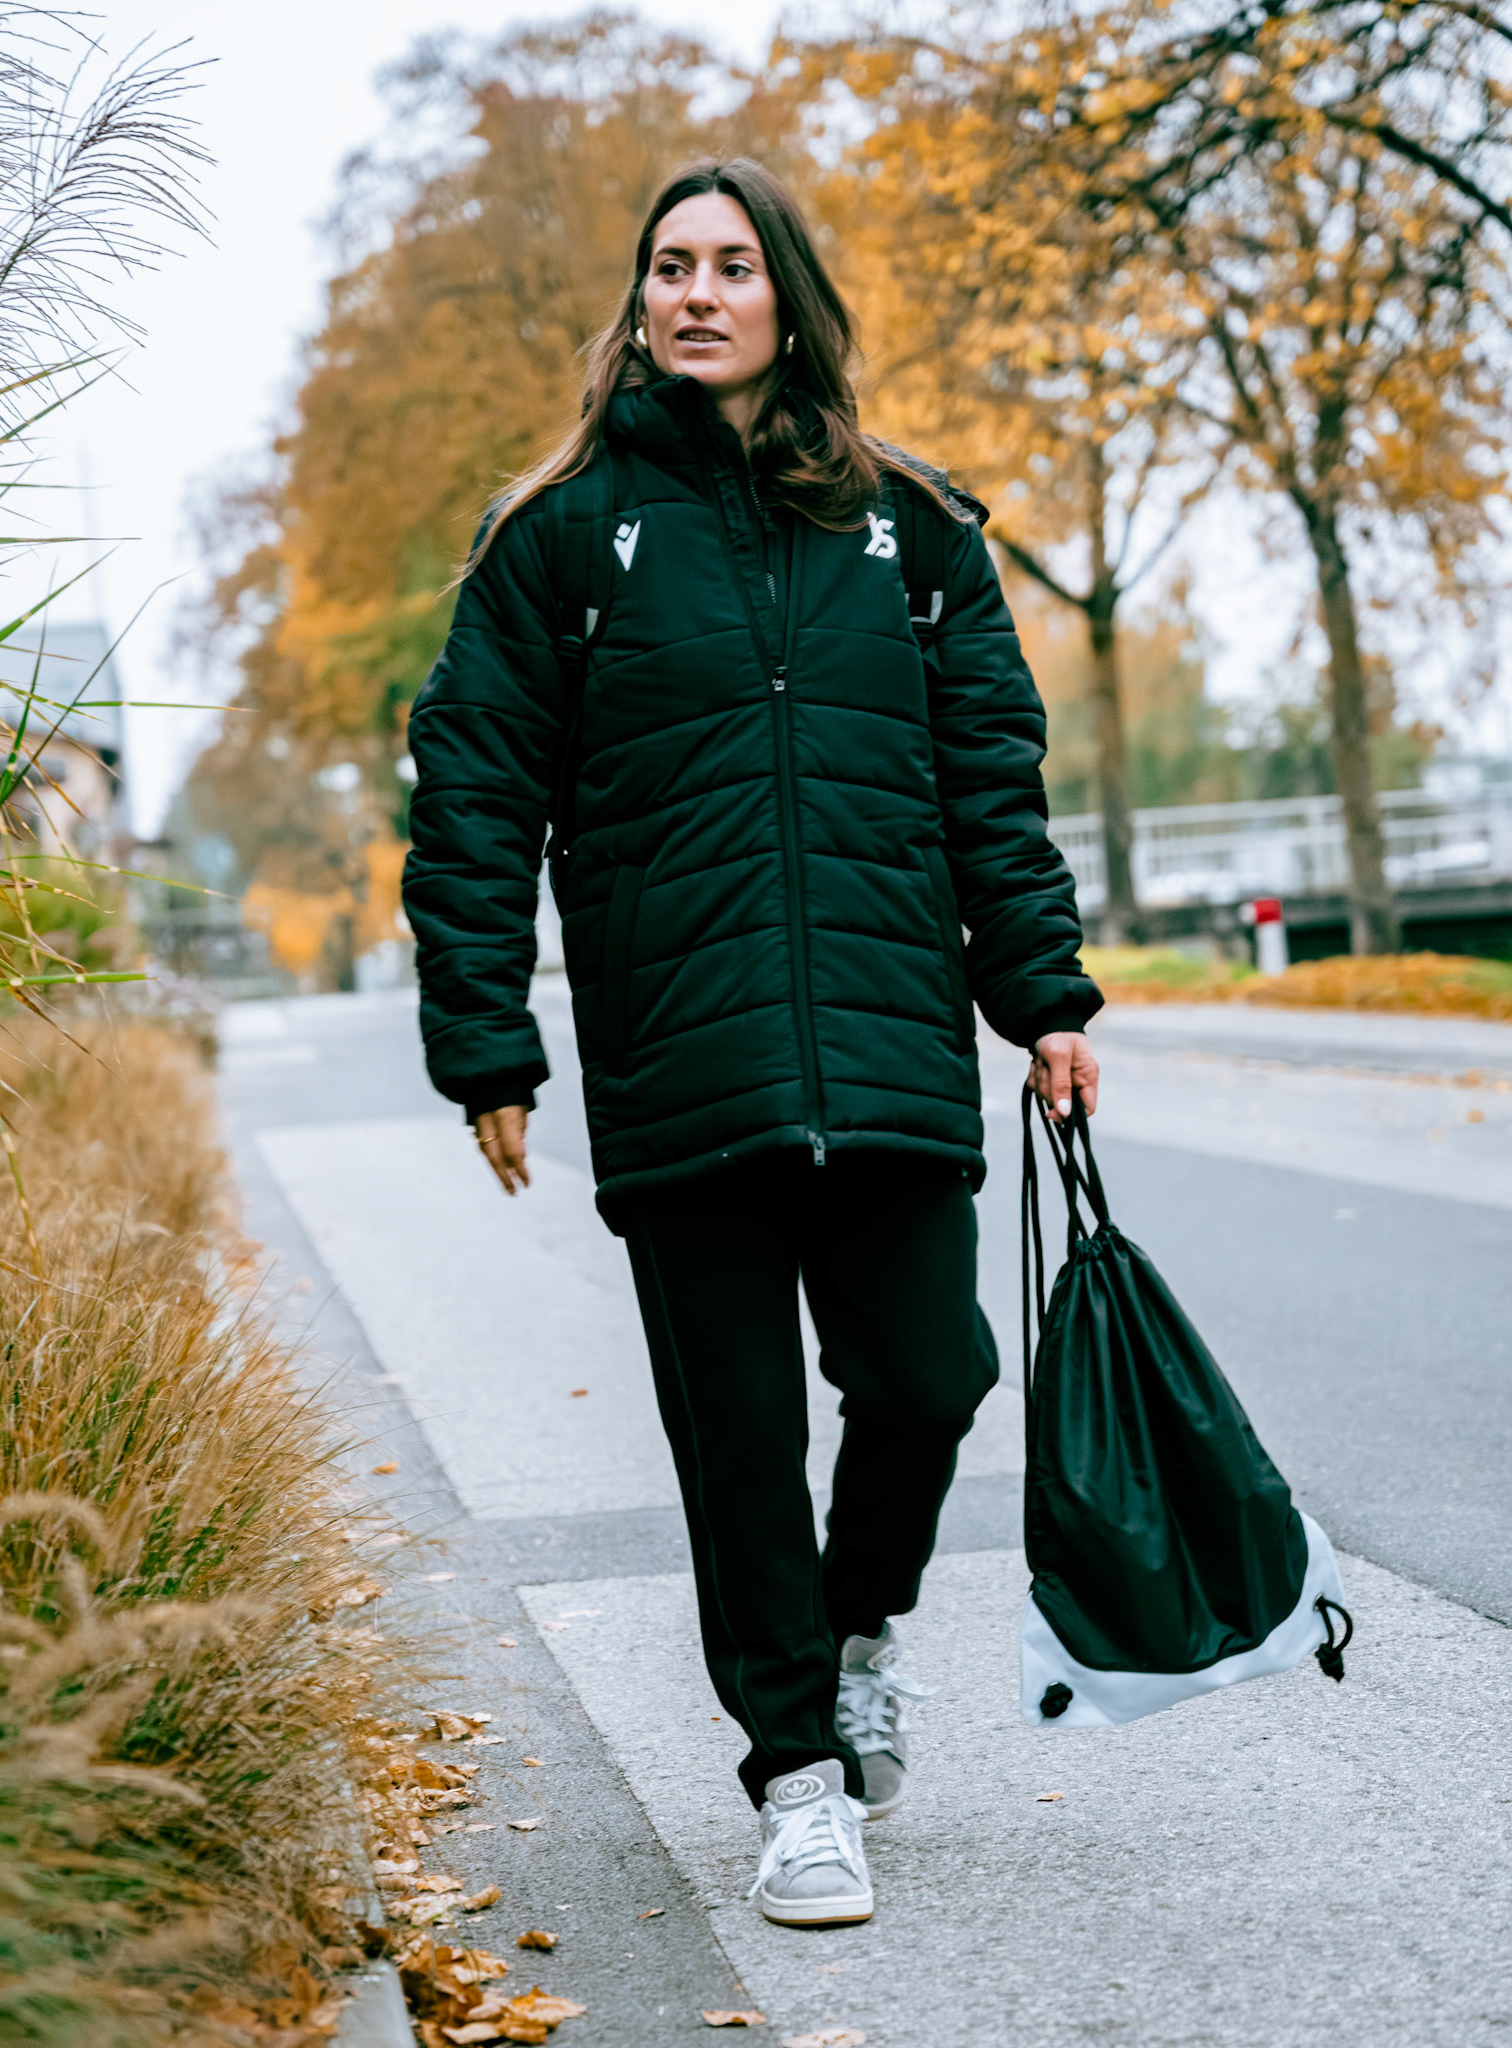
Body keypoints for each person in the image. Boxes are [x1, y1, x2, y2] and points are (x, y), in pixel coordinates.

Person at [403, 157, 1101, 1928]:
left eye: (729, 266)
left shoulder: (910, 528)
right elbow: (473, 793)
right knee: (738, 1446)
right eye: (669, 268)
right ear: (638, 302)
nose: (696, 294)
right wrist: (486, 1040)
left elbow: (989, 782)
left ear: (788, 298)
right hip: (679, 1061)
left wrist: (1042, 996)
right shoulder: (558, 536)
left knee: (933, 1378)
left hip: (885, 1041)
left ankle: (857, 1634)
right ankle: (796, 1782)